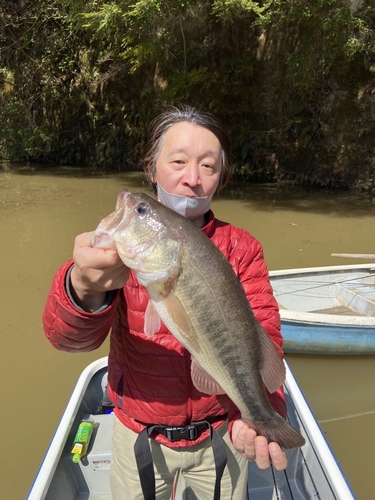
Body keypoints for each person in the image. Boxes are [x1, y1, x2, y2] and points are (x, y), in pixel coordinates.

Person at [42, 105, 288, 500]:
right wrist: (82, 287)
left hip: (221, 436)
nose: (192, 179)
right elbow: (68, 340)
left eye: (208, 166)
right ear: (152, 168)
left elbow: (265, 338)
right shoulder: (117, 250)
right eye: (178, 161)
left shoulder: (243, 248)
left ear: (219, 179)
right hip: (138, 437)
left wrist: (258, 413)